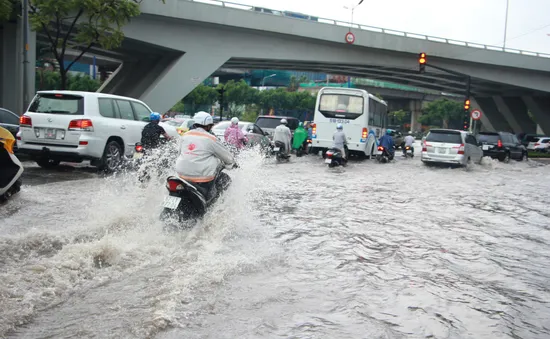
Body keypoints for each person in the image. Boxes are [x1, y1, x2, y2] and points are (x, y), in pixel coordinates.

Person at [175, 111, 235, 200]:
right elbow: (228, 158)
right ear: (208, 126)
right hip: (201, 178)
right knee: (224, 180)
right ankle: (213, 208)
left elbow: (179, 153)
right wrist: (231, 163)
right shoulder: (211, 139)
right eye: (211, 125)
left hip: (181, 175)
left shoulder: (185, 135)